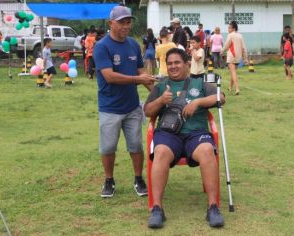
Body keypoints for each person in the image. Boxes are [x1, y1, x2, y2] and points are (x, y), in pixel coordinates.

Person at [144, 48, 225, 229]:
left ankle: (213, 207)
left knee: (206, 150)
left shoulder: (199, 83)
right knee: (161, 151)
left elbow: (221, 97)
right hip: (168, 134)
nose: (173, 67)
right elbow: (148, 111)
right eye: (170, 63)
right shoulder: (161, 86)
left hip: (196, 133)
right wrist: (160, 101)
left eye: (177, 63)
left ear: (187, 64)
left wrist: (198, 102)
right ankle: (157, 209)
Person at [93, 5, 157, 198]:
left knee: (136, 145)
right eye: (122, 22)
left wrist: (156, 92)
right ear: (111, 23)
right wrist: (139, 80)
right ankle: (109, 180)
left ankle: (138, 179)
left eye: (128, 22)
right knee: (108, 147)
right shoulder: (102, 46)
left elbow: (140, 71)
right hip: (110, 108)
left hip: (132, 107)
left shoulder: (133, 45)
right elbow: (110, 76)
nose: (126, 26)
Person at [222, 21, 248, 95]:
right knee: (233, 72)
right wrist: (245, 58)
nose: (228, 29)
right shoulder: (240, 35)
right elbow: (244, 48)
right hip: (238, 57)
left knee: (233, 72)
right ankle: (230, 87)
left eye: (229, 28)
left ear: (233, 28)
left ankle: (237, 88)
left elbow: (226, 46)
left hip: (231, 56)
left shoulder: (230, 35)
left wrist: (222, 52)